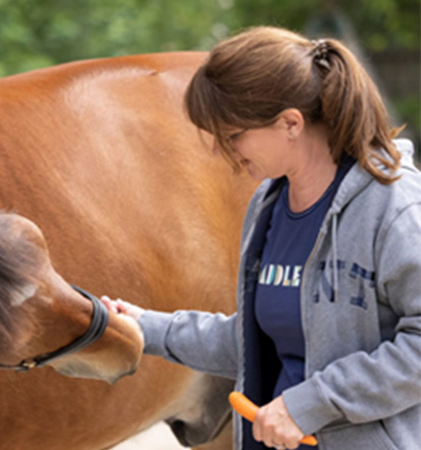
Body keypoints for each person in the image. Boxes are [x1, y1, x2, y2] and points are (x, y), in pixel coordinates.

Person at [101, 26, 421, 450]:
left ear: (290, 123)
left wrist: (309, 404)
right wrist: (146, 326)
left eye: (232, 136)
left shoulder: (394, 206)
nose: (220, 151)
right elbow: (259, 339)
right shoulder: (267, 208)